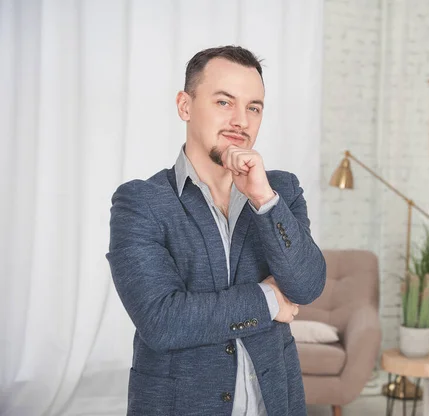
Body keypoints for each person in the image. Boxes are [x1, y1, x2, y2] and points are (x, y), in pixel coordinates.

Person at [106, 45, 326, 416]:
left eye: (253, 107)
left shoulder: (281, 191)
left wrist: (263, 199)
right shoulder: (140, 202)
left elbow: (306, 286)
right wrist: (271, 299)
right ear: (185, 106)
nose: (241, 120)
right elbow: (162, 321)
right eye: (225, 102)